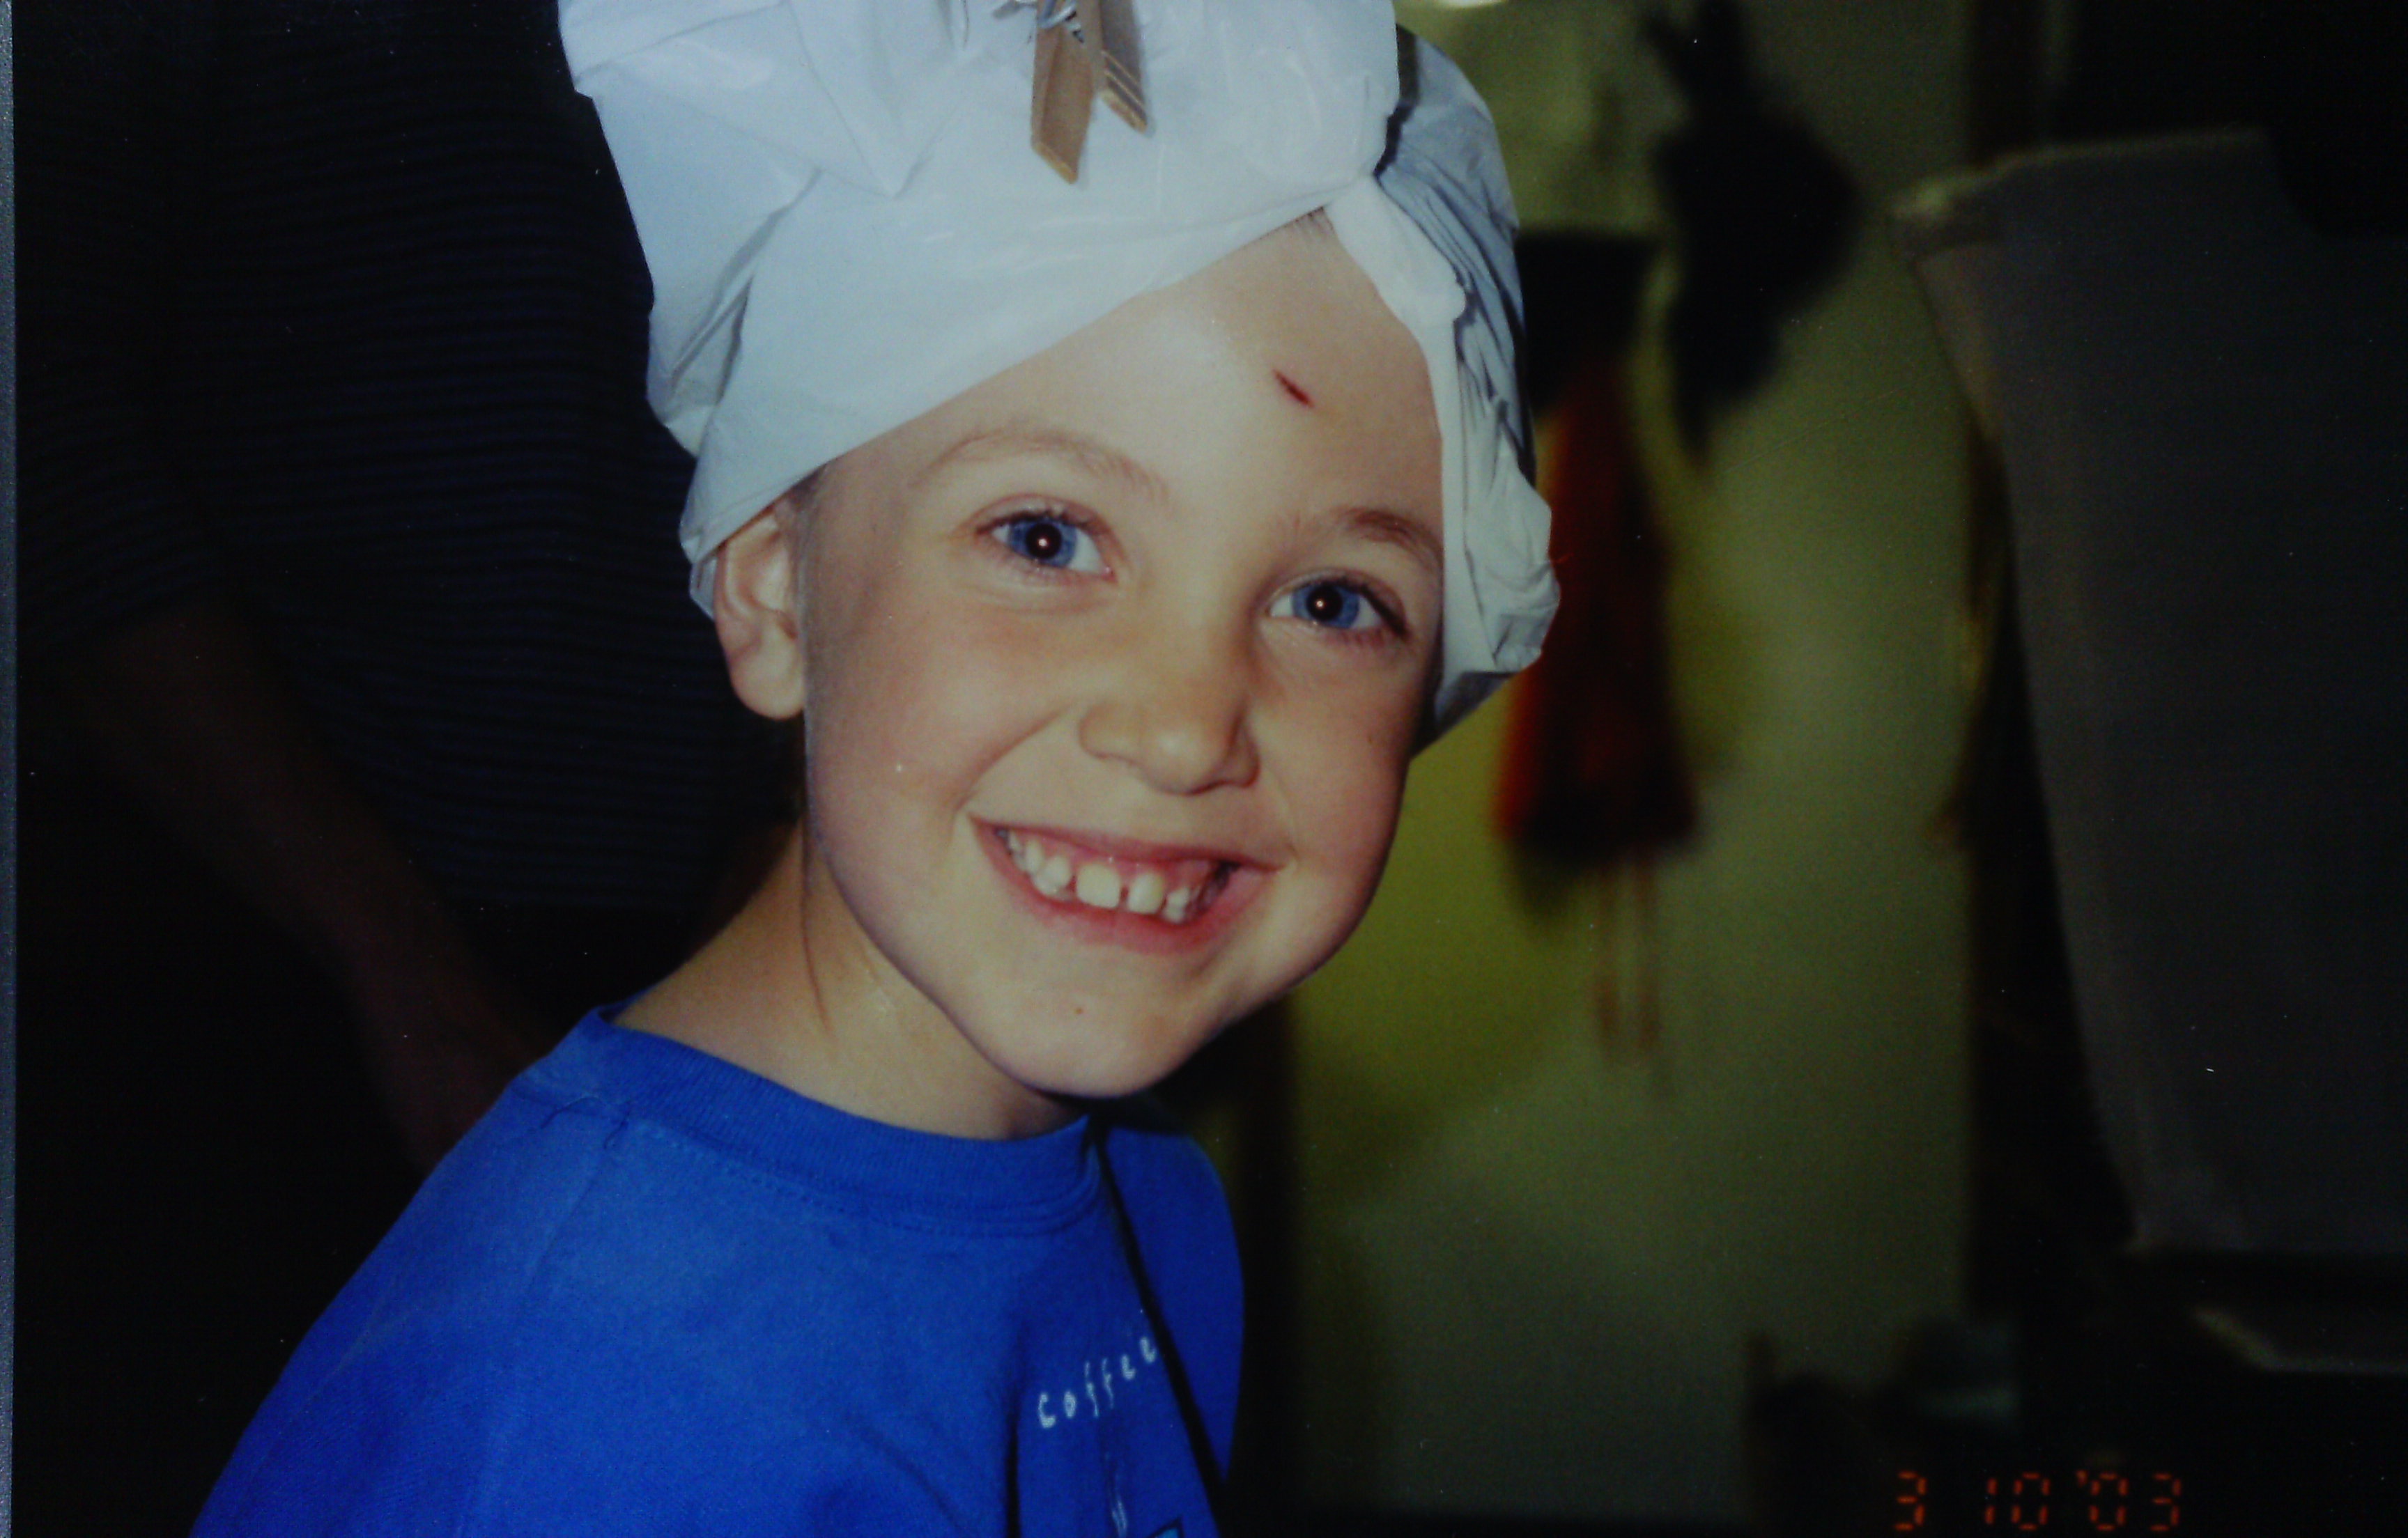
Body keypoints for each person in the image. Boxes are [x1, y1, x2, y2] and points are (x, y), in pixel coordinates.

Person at [190, 1, 1557, 1530]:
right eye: (1045, 538)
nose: (1185, 729)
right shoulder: (589, 1410)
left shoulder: (1149, 1209)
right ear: (774, 589)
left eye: (1333, 603)